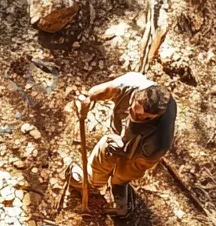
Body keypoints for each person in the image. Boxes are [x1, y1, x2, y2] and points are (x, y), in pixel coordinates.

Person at [71, 73, 177, 216]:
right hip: (118, 133)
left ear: (156, 116)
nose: (136, 117)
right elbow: (107, 90)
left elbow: (141, 165)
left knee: (126, 171)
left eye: (144, 117)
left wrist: (125, 154)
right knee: (107, 148)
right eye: (133, 110)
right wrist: (88, 98)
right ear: (135, 96)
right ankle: (93, 182)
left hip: (139, 150)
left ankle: (119, 186)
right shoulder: (131, 83)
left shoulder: (159, 141)